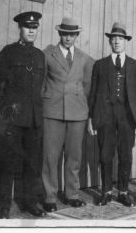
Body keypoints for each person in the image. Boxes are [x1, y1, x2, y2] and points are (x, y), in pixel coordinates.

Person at [0, 11, 47, 218]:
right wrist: (1, 118)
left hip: (34, 121)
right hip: (13, 121)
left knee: (32, 164)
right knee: (7, 164)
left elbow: (40, 88)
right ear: (19, 29)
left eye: (34, 27)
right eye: (27, 27)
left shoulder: (40, 56)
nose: (31, 30)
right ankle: (3, 207)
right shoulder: (8, 53)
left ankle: (29, 202)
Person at [88, 22, 136, 207]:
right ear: (110, 42)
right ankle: (105, 192)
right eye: (113, 38)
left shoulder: (135, 65)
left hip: (128, 117)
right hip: (105, 116)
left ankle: (123, 191)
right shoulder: (100, 65)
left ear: (125, 41)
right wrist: (91, 118)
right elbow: (93, 93)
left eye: (120, 38)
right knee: (106, 155)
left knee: (125, 155)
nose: (117, 41)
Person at [41, 17, 94, 212]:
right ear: (59, 34)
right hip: (53, 112)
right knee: (50, 157)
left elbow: (87, 86)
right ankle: (49, 197)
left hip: (77, 113)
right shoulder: (47, 55)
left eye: (72, 34)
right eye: (65, 33)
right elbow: (41, 84)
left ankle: (72, 194)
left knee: (74, 157)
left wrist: (82, 107)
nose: (68, 37)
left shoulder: (85, 59)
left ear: (77, 35)